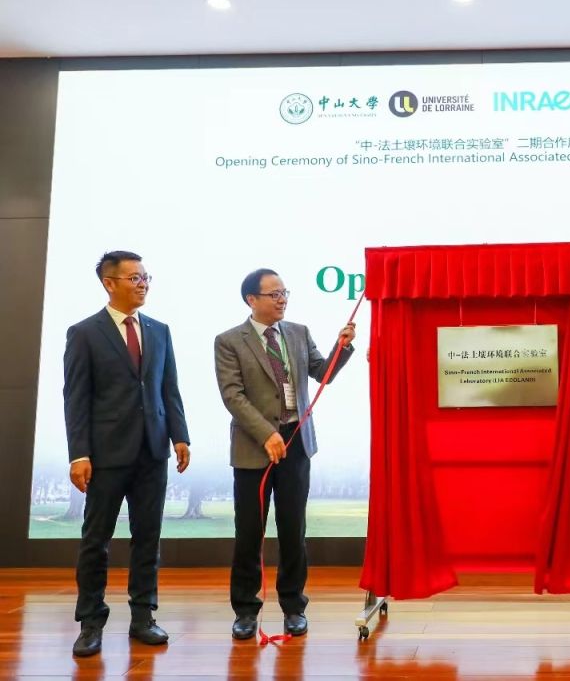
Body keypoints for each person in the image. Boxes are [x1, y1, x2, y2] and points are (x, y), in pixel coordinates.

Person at [215, 268, 356, 640]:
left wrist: (342, 348)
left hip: (296, 442)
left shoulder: (298, 332)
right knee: (249, 532)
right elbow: (233, 396)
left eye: (284, 292)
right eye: (273, 294)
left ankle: (294, 606)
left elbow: (322, 373)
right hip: (253, 447)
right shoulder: (229, 341)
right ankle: (245, 610)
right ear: (252, 300)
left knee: (294, 530)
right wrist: (266, 433)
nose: (282, 299)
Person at [63, 251, 191, 657]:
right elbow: (76, 399)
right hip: (105, 455)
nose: (143, 284)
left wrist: (180, 437)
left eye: (145, 277)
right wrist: (79, 453)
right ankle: (90, 623)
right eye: (134, 278)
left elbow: (168, 389)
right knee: (95, 540)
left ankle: (143, 618)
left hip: (152, 451)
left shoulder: (159, 330)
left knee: (147, 538)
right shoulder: (84, 332)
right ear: (109, 283)